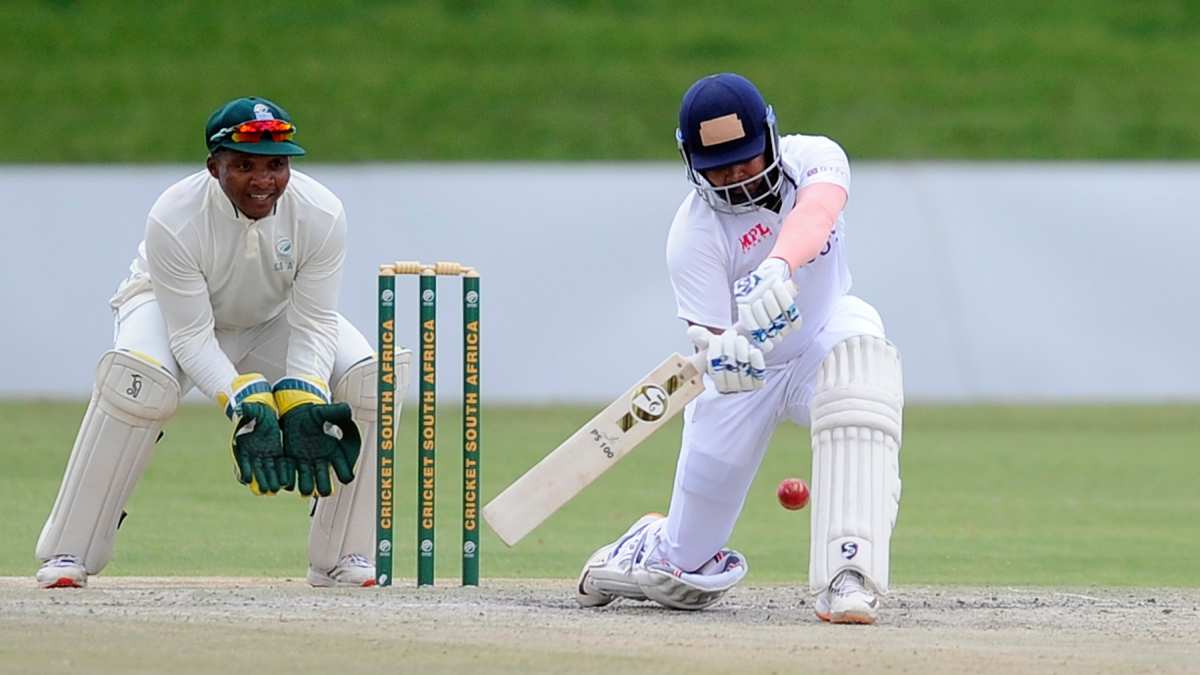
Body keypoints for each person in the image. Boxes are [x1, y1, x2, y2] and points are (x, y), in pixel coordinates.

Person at [34, 96, 412, 589]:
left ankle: (342, 554)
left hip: (270, 318)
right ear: (214, 167)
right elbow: (191, 334)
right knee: (137, 385)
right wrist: (242, 401)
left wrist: (304, 396)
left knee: (371, 380)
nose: (263, 181)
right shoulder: (175, 215)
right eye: (244, 166)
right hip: (167, 312)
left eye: (276, 165)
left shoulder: (321, 212)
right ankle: (70, 552)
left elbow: (315, 320)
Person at [575, 73, 903, 624]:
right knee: (685, 570)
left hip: (825, 332)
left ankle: (849, 575)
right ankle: (642, 552)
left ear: (769, 138)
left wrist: (777, 265)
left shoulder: (814, 157)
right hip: (745, 381)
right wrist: (724, 353)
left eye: (745, 159)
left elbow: (817, 213)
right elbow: (707, 335)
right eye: (718, 168)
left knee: (862, 382)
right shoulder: (693, 235)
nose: (734, 177)